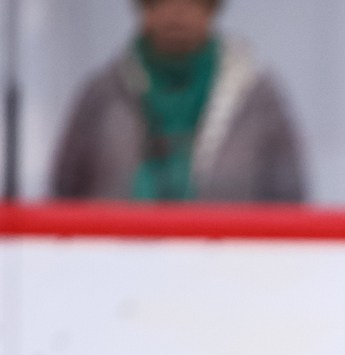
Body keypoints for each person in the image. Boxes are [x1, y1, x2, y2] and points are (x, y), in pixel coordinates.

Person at [50, 0, 305, 203]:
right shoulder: (103, 95)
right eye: (162, 1)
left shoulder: (256, 97)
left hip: (226, 263)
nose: (177, 11)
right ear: (144, 8)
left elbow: (288, 198)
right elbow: (65, 191)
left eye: (192, 1)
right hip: (113, 262)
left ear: (211, 9)